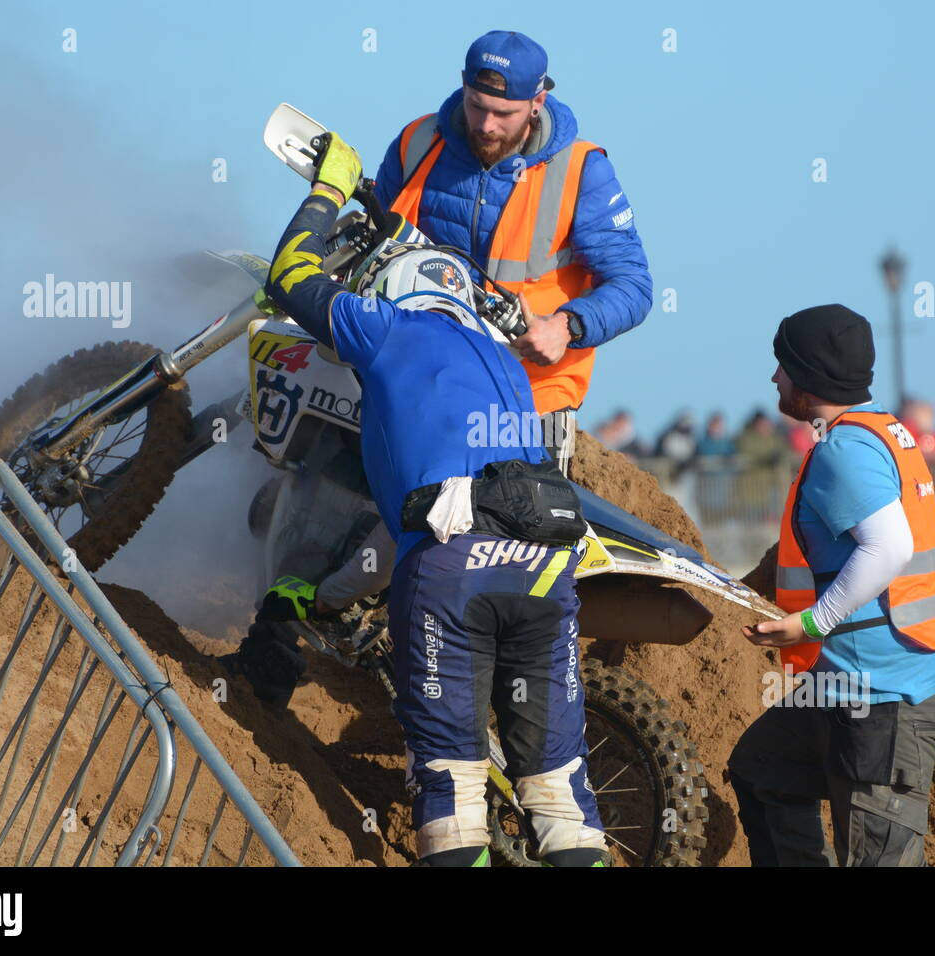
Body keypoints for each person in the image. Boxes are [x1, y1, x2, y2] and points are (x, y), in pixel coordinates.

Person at [247, 132, 607, 867]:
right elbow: (413, 525)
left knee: (450, 795)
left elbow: (289, 275)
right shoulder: (507, 369)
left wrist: (328, 190)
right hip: (545, 574)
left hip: (453, 576)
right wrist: (334, 594)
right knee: (562, 798)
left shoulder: (386, 329)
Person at [728, 304, 935, 867]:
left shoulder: (842, 451)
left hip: (885, 698)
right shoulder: (885, 432)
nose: (774, 378)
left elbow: (888, 548)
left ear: (808, 377)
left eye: (782, 367)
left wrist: (811, 622)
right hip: (851, 687)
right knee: (763, 771)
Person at [375, 30, 652, 468]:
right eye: (476, 106)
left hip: (531, 396)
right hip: (420, 379)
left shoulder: (583, 171)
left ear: (537, 103)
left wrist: (565, 327)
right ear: (462, 86)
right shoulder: (416, 142)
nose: (486, 125)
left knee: (511, 531)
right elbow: (375, 242)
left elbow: (633, 286)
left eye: (503, 114)